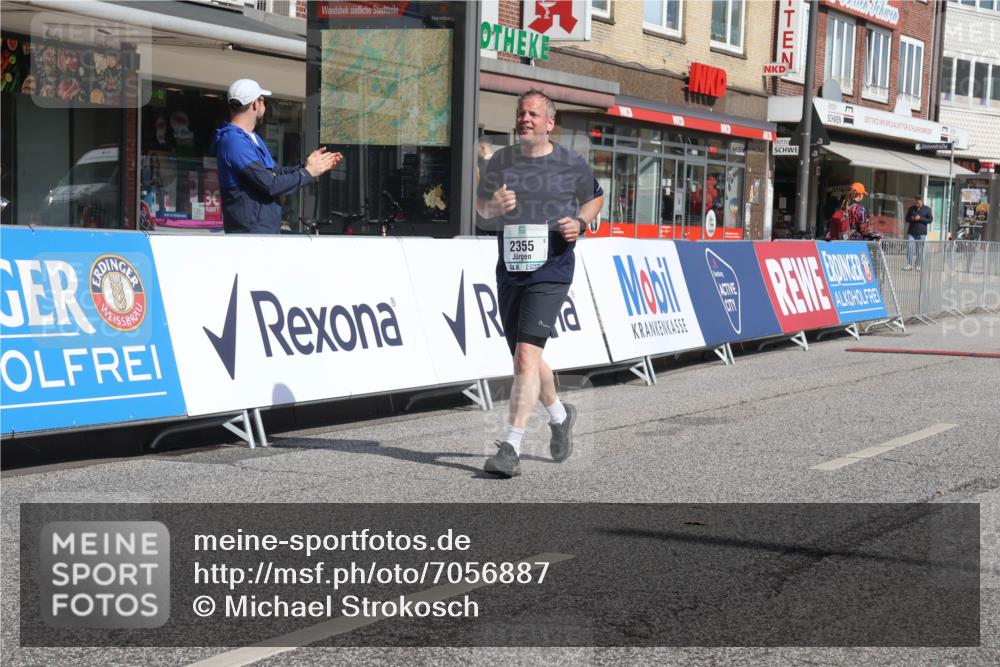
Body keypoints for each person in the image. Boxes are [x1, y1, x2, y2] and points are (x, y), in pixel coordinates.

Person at [476, 89, 604, 478]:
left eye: (533, 114)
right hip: (511, 270)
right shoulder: (500, 161)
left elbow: (595, 199)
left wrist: (580, 223)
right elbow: (481, 208)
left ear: (550, 123)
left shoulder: (570, 163)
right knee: (525, 356)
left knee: (525, 357)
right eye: (521, 113)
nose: (525, 119)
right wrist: (493, 207)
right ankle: (560, 416)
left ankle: (511, 448)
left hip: (552, 270)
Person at [213, 79, 342, 234]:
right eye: (263, 100)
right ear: (254, 105)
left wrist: (309, 167)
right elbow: (270, 185)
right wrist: (307, 172)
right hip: (251, 235)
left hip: (264, 232)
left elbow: (276, 172)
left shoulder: (251, 138)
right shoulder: (234, 142)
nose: (265, 105)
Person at [904, 195, 932, 271]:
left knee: (919, 250)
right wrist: (912, 218)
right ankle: (909, 264)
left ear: (922, 202)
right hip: (912, 232)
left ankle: (918, 265)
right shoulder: (911, 208)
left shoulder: (927, 209)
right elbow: (906, 219)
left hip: (922, 233)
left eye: (918, 203)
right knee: (909, 248)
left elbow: (930, 220)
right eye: (916, 202)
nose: (917, 204)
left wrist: (920, 218)